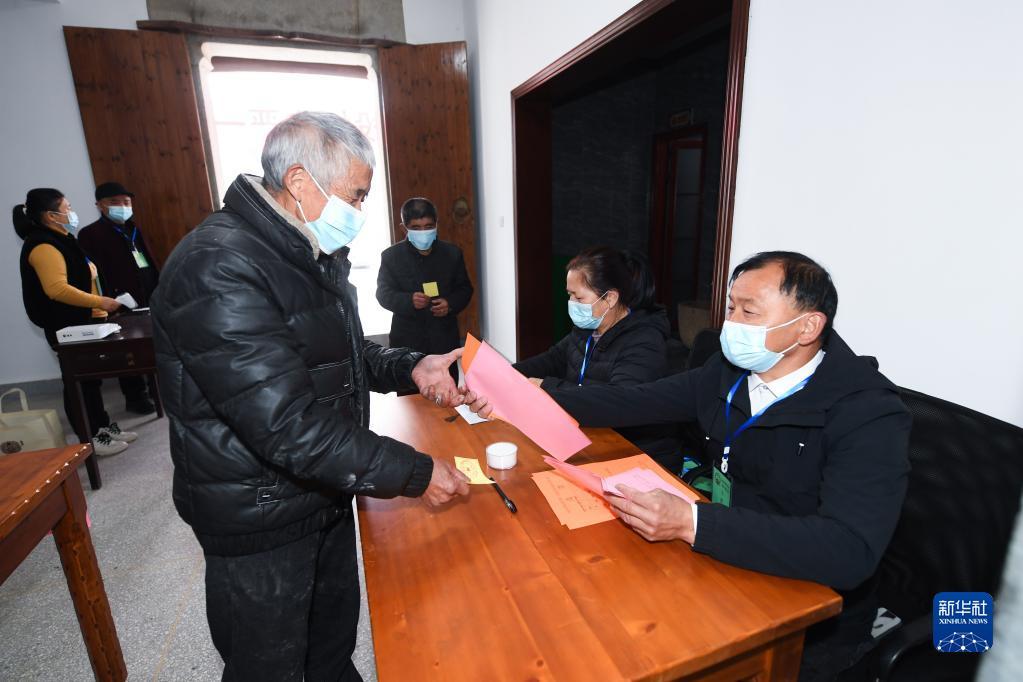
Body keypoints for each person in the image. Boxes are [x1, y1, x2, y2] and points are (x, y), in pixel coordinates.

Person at [465, 251, 911, 681]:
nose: (731, 324)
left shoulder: (868, 413)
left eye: (749, 312)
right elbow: (636, 400)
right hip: (722, 557)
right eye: (731, 307)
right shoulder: (729, 372)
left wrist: (692, 521)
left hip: (806, 608)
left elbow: (849, 551)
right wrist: (528, 396)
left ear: (808, 326)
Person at [152, 111, 471, 681]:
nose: (360, 211)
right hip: (260, 513)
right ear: (300, 182)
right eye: (356, 195)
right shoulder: (218, 265)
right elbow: (286, 424)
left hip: (321, 487)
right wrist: (415, 471)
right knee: (267, 664)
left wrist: (410, 365)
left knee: (329, 647)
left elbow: (339, 353)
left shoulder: (304, 249)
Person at [512, 246, 679, 468]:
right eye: (569, 294)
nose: (571, 303)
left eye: (579, 297)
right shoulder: (588, 328)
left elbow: (616, 404)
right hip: (586, 437)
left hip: (636, 454)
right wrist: (503, 374)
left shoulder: (644, 343)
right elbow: (553, 359)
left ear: (609, 298)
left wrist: (546, 387)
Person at [13, 188, 136, 456]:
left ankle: (102, 428)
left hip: (82, 320)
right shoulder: (43, 245)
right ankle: (89, 438)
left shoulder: (63, 239)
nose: (71, 212)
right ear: (51, 215)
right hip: (64, 324)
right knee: (77, 382)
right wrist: (101, 302)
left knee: (91, 379)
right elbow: (56, 289)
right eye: (67, 208)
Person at [78, 181, 159, 415]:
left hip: (147, 296)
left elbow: (146, 260)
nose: (122, 206)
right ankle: (136, 397)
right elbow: (93, 273)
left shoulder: (133, 229)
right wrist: (107, 299)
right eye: (114, 202)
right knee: (127, 352)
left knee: (150, 347)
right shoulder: (90, 234)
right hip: (118, 302)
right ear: (100, 205)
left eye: (126, 202)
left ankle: (155, 391)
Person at [376, 197, 474, 382]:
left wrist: (450, 304)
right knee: (408, 393)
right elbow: (383, 294)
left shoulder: (452, 254)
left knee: (446, 390)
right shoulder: (391, 257)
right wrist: (408, 300)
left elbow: (465, 289)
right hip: (407, 341)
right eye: (416, 227)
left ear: (436, 224)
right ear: (404, 228)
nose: (423, 232)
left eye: (428, 226)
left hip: (443, 339)